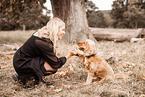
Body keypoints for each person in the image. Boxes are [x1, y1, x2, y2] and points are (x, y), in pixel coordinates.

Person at [12, 17, 72, 87]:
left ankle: (25, 76)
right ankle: (26, 77)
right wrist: (70, 55)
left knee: (48, 64)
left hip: (20, 59)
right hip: (22, 62)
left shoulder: (42, 35)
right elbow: (56, 64)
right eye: (62, 30)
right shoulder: (44, 42)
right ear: (56, 30)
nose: (64, 32)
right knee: (53, 68)